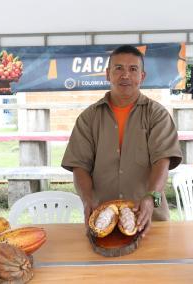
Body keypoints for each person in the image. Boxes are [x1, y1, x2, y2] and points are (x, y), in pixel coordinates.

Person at [61, 45, 182, 237]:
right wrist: (87, 200)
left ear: (142, 76)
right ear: (108, 74)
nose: (125, 75)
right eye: (119, 68)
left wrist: (153, 199)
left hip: (150, 218)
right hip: (103, 219)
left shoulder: (157, 115)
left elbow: (163, 162)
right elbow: (79, 166)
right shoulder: (89, 117)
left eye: (133, 69)